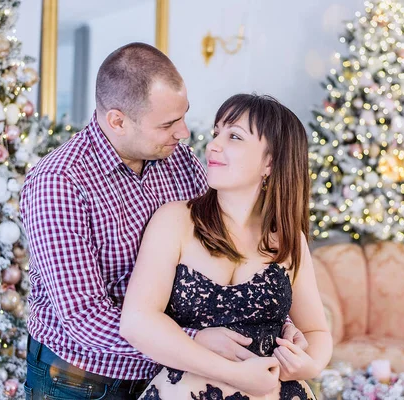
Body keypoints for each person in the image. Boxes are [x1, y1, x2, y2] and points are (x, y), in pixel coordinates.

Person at [20, 43, 305, 400]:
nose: (185, 132)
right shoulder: (59, 182)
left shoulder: (179, 161)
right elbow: (84, 318)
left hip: (172, 374)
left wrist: (276, 324)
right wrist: (193, 340)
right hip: (83, 379)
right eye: (168, 123)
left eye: (184, 115)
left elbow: (222, 254)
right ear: (118, 121)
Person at [120, 94, 333, 399]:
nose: (213, 145)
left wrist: (308, 366)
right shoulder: (175, 220)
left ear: (270, 162)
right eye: (217, 132)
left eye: (234, 136)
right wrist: (235, 374)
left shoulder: (288, 238)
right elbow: (137, 323)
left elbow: (317, 332)